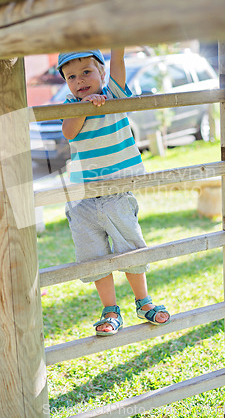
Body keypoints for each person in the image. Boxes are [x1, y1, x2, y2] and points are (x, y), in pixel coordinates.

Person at [58, 48, 170, 336]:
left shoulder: (114, 97)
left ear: (102, 73)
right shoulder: (71, 104)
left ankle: (144, 302)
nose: (80, 80)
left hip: (117, 193)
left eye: (87, 72)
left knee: (130, 248)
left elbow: (118, 60)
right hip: (83, 199)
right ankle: (110, 309)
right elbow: (69, 132)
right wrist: (84, 105)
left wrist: (116, 41)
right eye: (71, 76)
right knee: (94, 258)